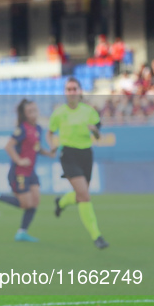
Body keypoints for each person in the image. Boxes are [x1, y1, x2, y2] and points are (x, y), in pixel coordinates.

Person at [0, 99, 56, 242]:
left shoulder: (38, 128)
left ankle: (22, 232)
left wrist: (48, 153)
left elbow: (36, 148)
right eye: (30, 111)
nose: (34, 114)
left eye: (35, 110)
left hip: (30, 172)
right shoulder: (22, 129)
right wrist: (19, 160)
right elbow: (8, 146)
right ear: (25, 115)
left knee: (35, 201)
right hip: (19, 172)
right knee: (25, 204)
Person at [46, 77, 109, 249]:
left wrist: (95, 131)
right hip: (68, 154)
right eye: (69, 89)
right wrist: (52, 146)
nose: (72, 92)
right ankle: (97, 236)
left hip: (86, 154)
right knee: (84, 195)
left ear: (79, 91)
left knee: (81, 195)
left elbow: (98, 136)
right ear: (65, 93)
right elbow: (49, 133)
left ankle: (61, 202)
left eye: (74, 88)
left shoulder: (89, 111)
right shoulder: (58, 113)